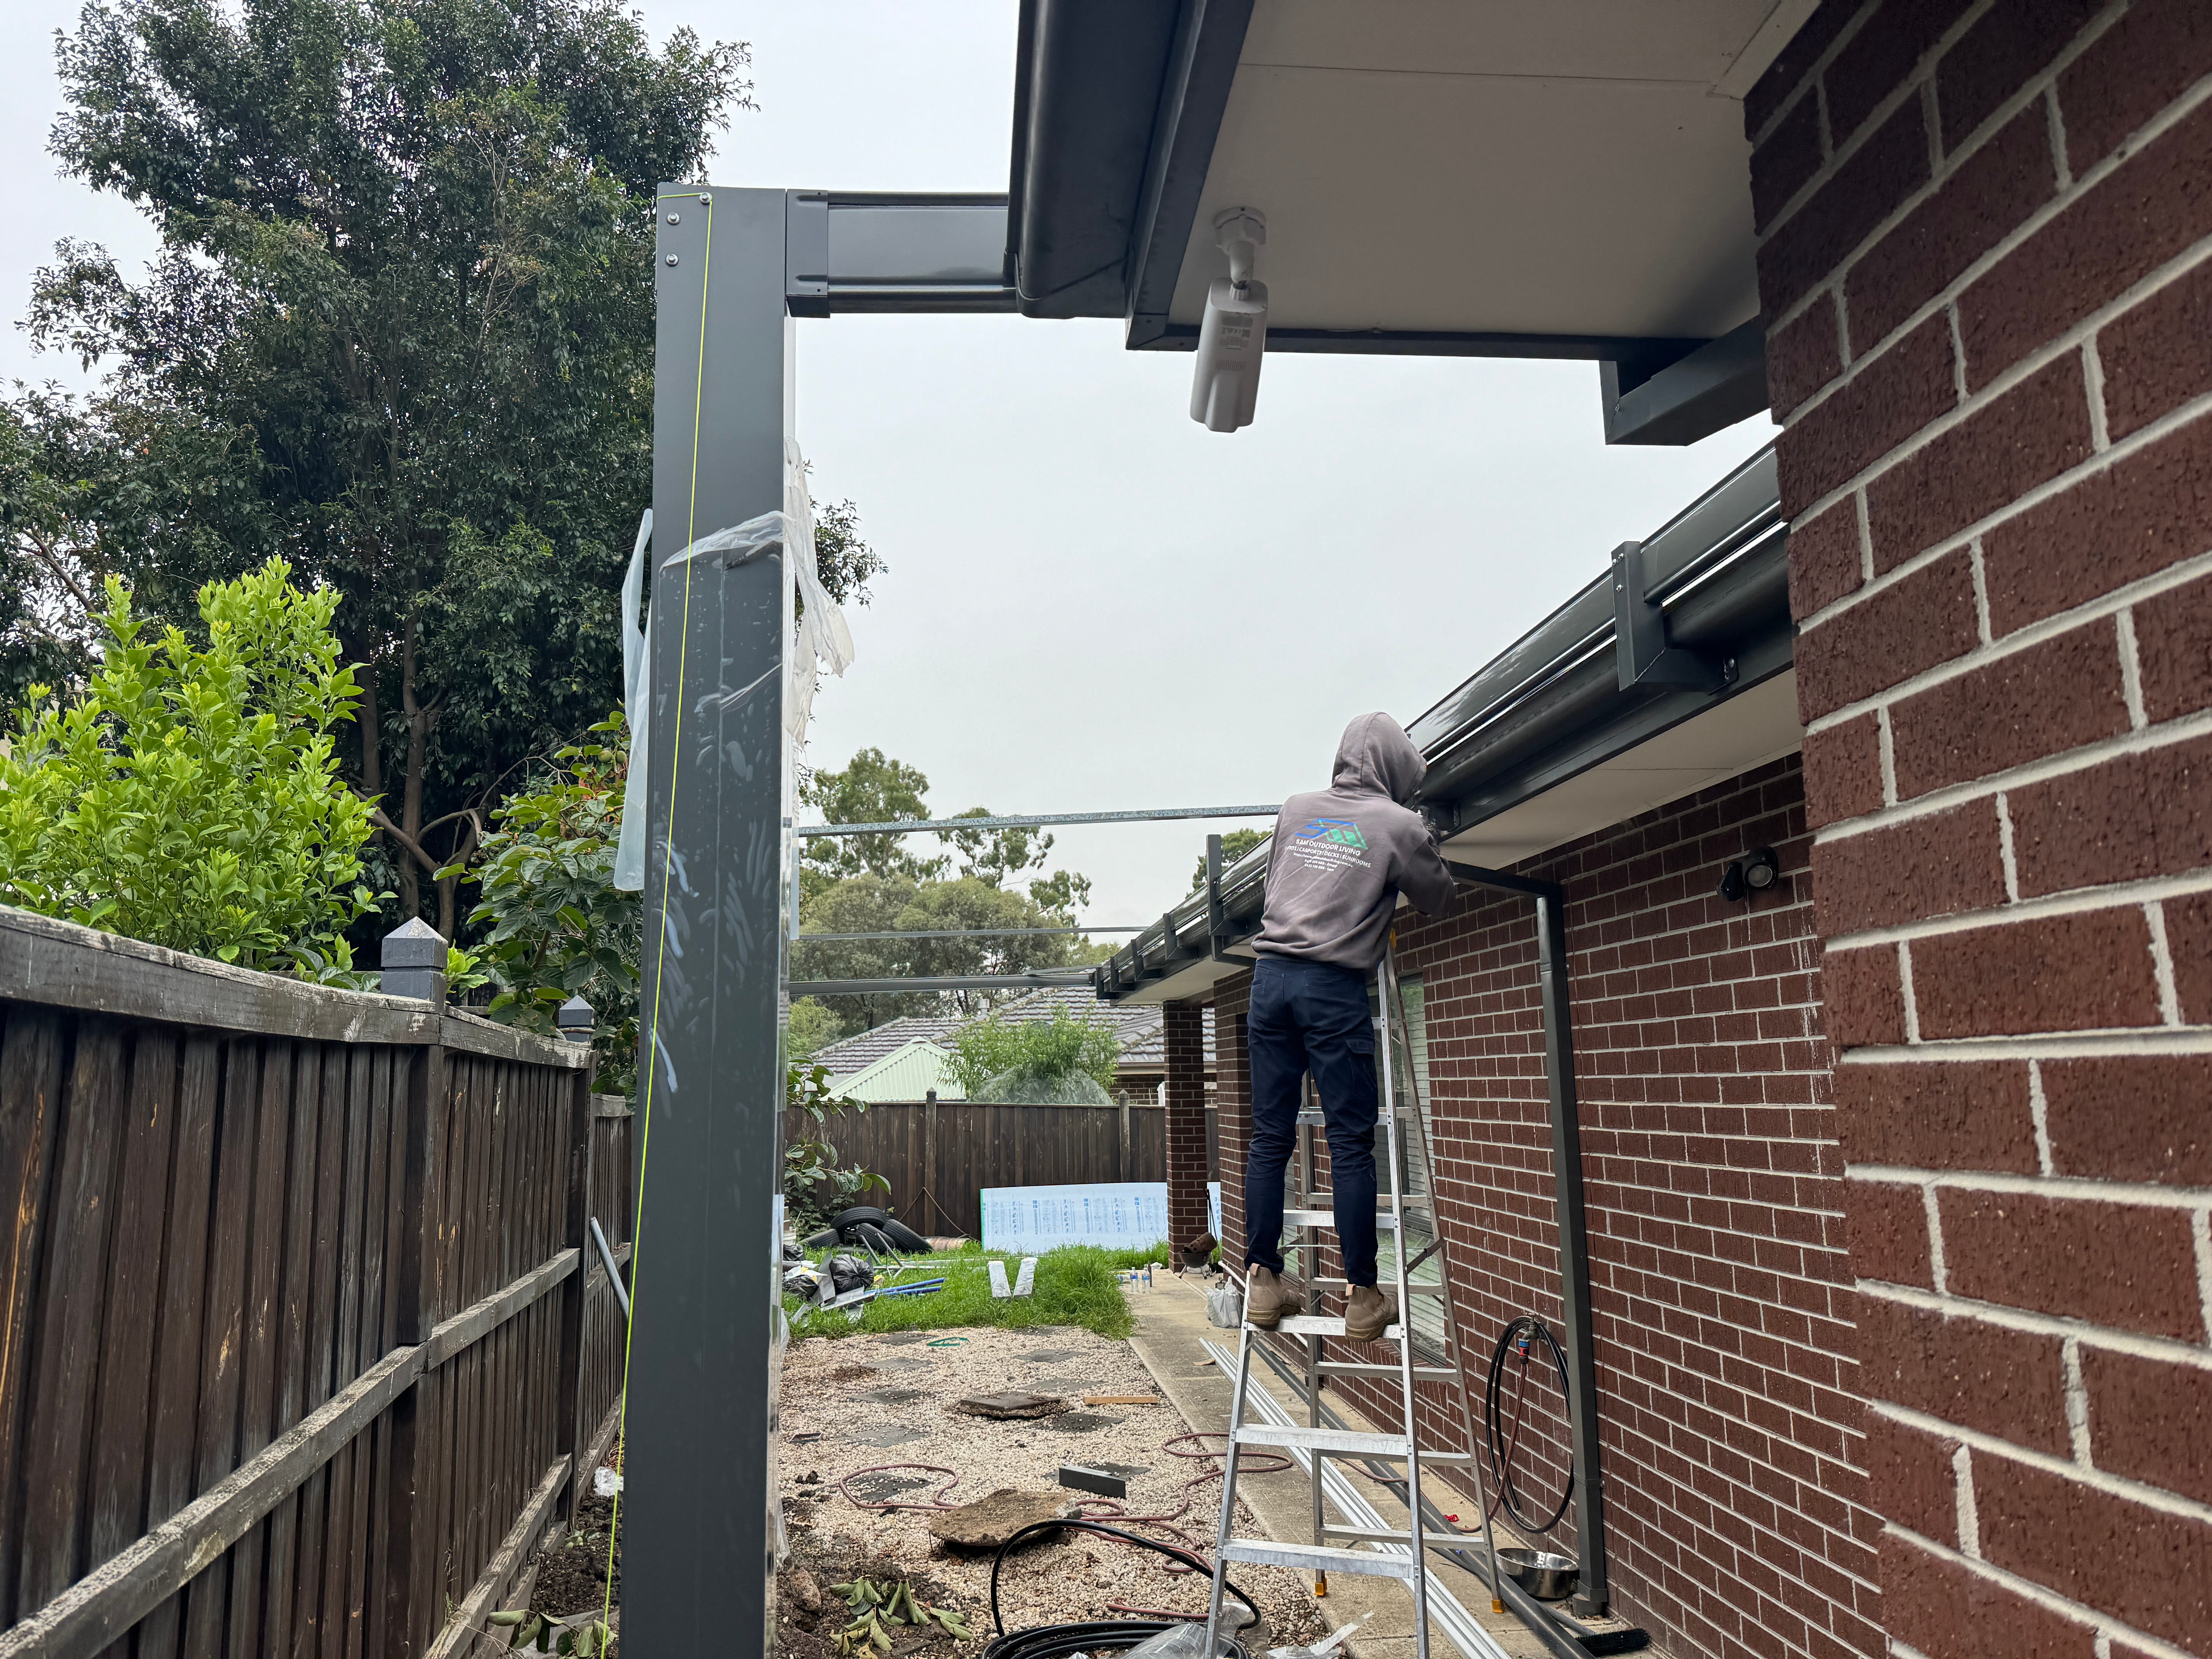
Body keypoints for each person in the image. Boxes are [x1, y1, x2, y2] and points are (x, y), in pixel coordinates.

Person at [1242, 713, 1456, 1342]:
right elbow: (1439, 896)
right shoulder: (1400, 824)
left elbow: (1283, 883)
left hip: (1269, 980)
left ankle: (1261, 1278)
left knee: (1269, 1138)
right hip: (1332, 988)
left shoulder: (1296, 808)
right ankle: (1363, 1294)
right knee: (1351, 1145)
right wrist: (1426, 843)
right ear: (1396, 769)